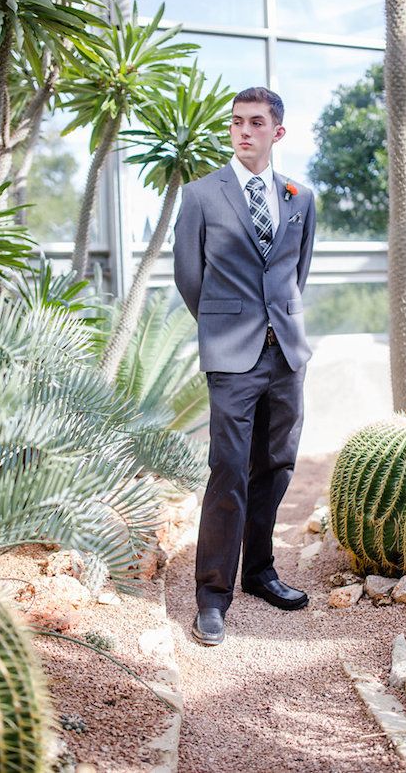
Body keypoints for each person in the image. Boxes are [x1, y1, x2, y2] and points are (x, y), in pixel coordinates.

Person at [173, 86, 316, 646]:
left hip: (287, 352)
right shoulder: (201, 196)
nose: (243, 131)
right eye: (236, 123)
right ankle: (212, 595)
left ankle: (259, 573)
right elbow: (191, 277)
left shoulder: (300, 196)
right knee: (228, 470)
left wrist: (277, 324)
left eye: (256, 123)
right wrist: (227, 324)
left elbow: (295, 273)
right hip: (232, 356)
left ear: (277, 132)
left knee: (276, 466)